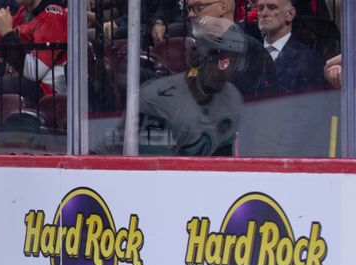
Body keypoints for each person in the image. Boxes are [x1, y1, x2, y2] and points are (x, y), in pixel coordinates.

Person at [97, 21, 246, 156]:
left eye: (235, 62)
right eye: (222, 63)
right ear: (196, 58)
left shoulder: (231, 98)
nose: (227, 71)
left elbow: (222, 165)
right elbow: (153, 174)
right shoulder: (157, 103)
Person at [186, 0, 277, 100]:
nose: (190, 14)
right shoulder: (194, 48)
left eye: (198, 7)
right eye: (189, 8)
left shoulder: (253, 53)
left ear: (223, 8)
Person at [0, 0, 68, 103]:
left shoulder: (54, 16)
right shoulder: (24, 12)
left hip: (50, 93)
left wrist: (7, 34)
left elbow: (33, 72)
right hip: (28, 82)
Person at [256, 0, 324, 94]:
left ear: (290, 14)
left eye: (272, 7)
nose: (264, 13)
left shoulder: (308, 59)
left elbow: (310, 105)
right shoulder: (247, 54)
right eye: (260, 8)